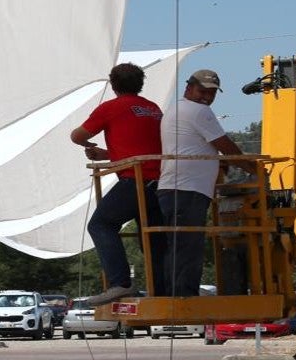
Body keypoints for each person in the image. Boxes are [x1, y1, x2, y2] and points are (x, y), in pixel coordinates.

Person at [71, 63, 165, 306]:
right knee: (152, 236)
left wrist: (88, 146)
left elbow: (77, 135)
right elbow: (141, 147)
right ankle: (163, 288)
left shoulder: (111, 108)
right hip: (160, 181)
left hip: (135, 178)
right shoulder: (152, 108)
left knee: (101, 224)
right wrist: (105, 154)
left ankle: (120, 283)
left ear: (113, 84)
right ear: (140, 84)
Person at [156, 69, 247, 297]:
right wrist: (257, 170)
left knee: (177, 245)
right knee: (188, 246)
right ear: (189, 87)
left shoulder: (177, 109)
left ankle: (173, 294)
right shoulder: (199, 111)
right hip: (188, 189)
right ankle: (184, 296)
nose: (206, 97)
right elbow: (226, 146)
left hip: (175, 188)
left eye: (211, 93)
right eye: (202, 91)